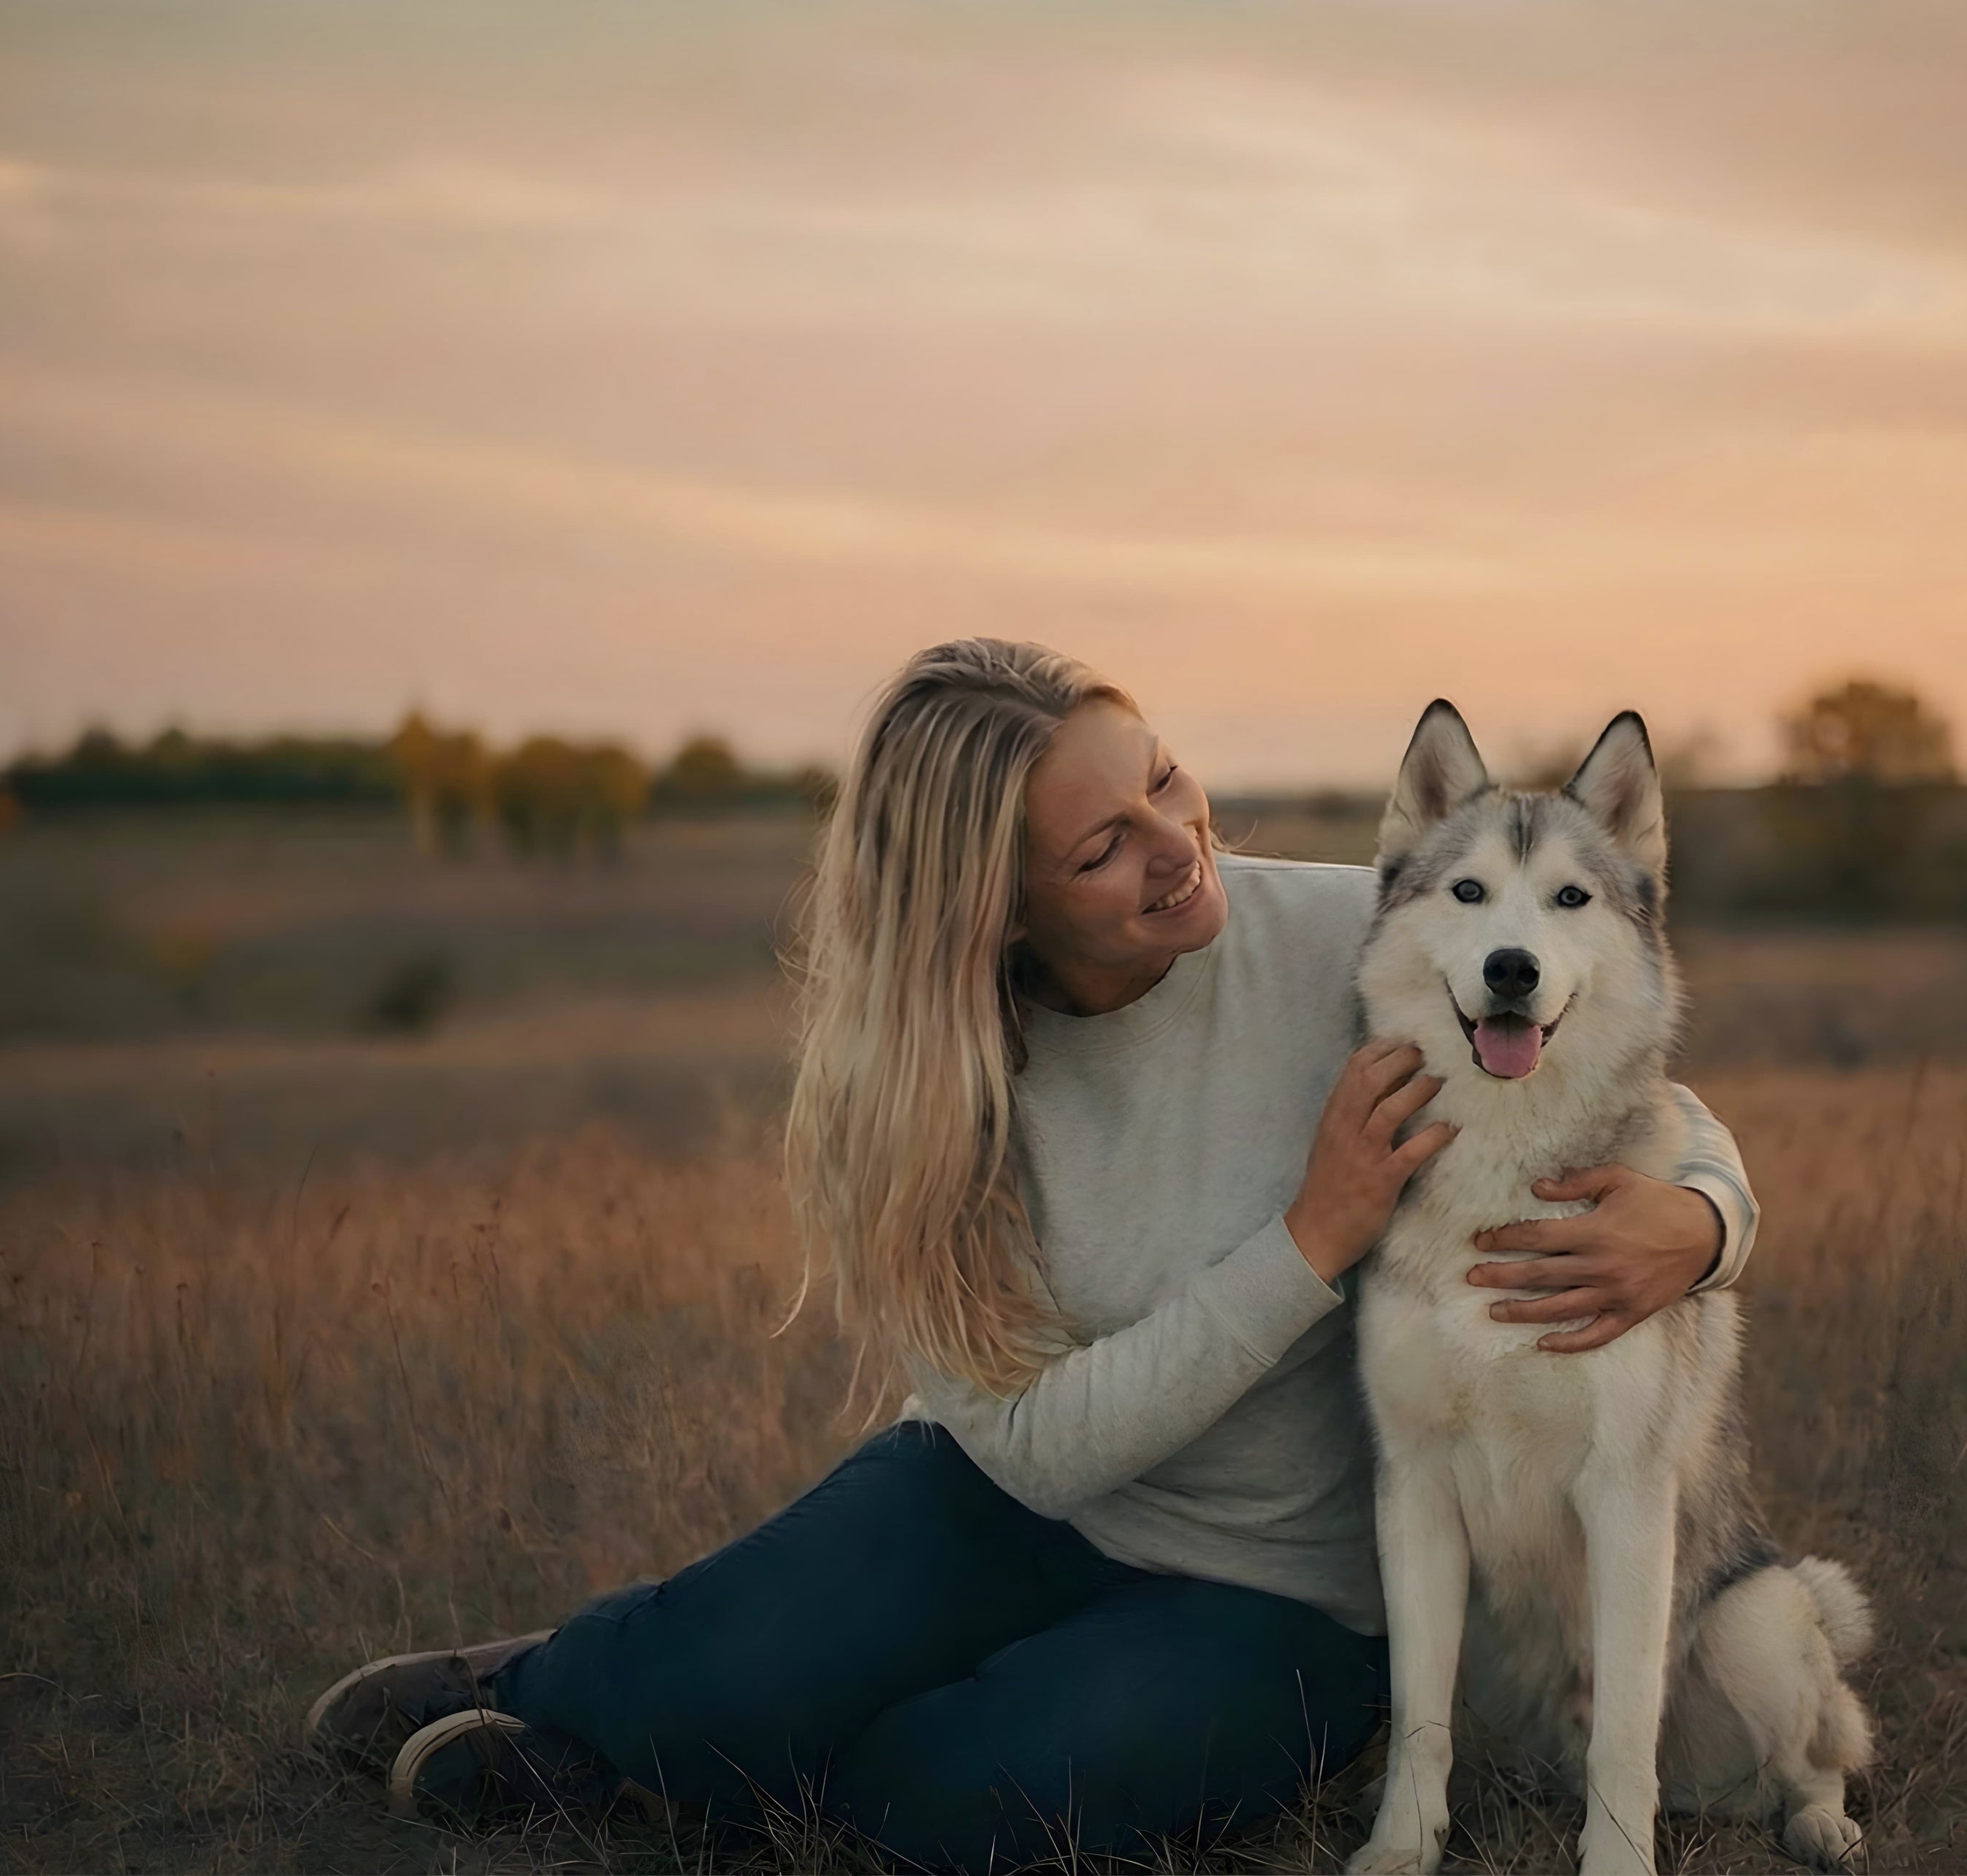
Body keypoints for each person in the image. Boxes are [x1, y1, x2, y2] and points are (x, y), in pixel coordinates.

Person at [308, 640, 1757, 1869]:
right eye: (1100, 844)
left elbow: (1645, 1089)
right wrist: (1312, 1235)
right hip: (1006, 1496)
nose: (1177, 843)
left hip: (1282, 1595)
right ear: (995, 906)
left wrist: (1699, 1223)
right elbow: (1042, 1456)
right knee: (708, 1686)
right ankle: (576, 1685)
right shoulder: (933, 1096)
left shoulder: (1354, 932)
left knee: (952, 1798)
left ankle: (686, 1777)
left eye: (1164, 779)